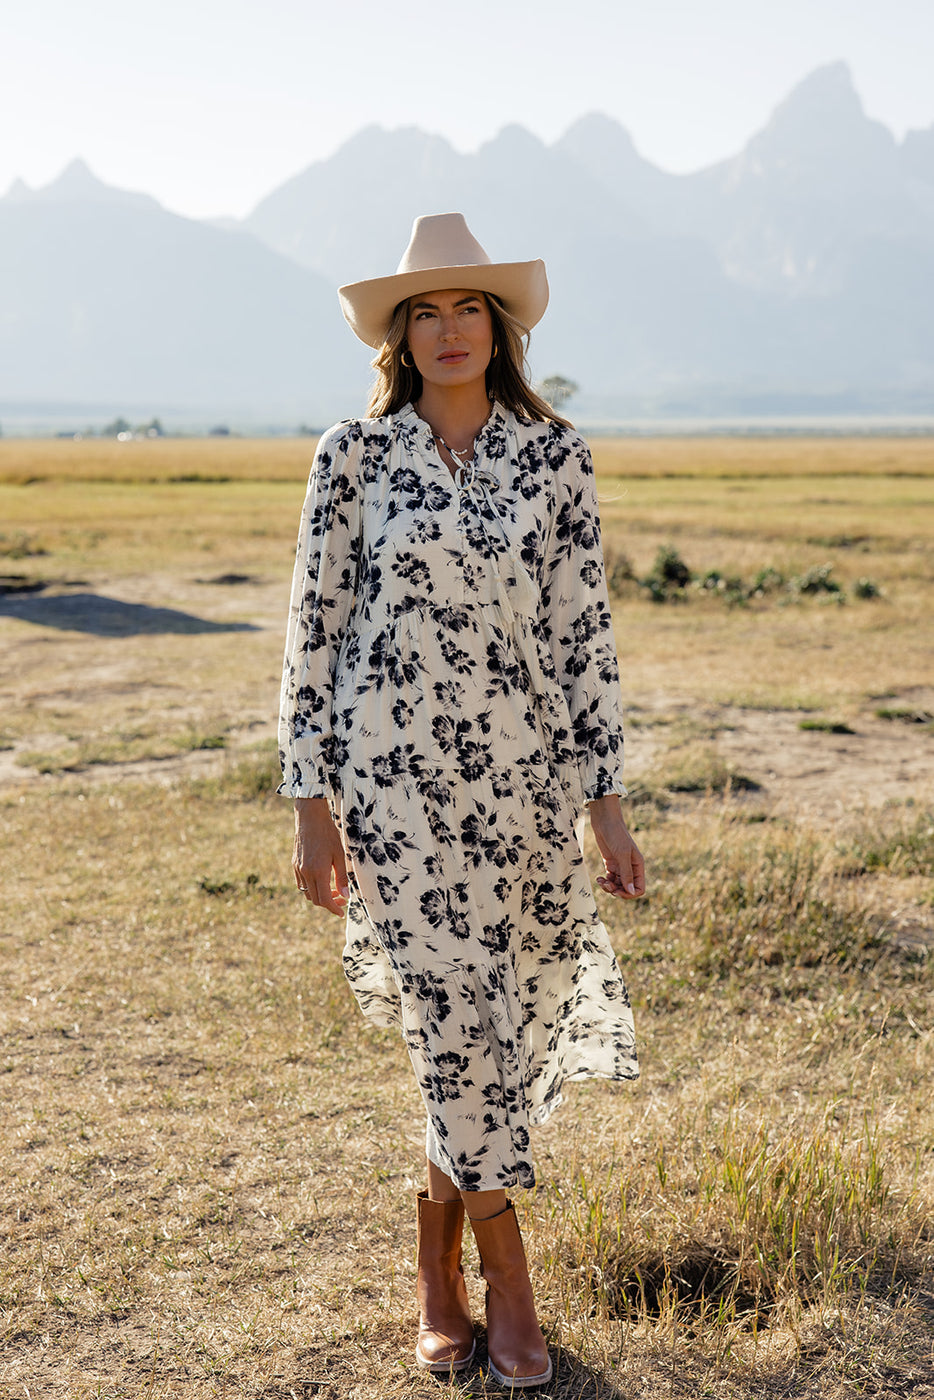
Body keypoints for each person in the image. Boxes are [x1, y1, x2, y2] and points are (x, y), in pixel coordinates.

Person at [279, 213, 644, 1388]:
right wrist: (311, 802)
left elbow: (584, 637)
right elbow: (313, 635)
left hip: (524, 787)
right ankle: (507, 1274)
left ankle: (432, 1270)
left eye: (467, 308)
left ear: (500, 328)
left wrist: (607, 803)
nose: (447, 330)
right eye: (423, 313)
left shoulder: (557, 459)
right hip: (393, 791)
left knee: (493, 1028)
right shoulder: (352, 456)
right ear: (397, 336)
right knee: (453, 1019)